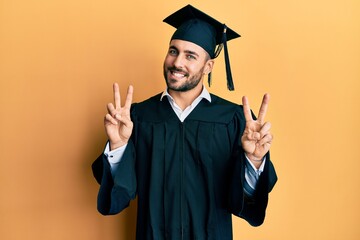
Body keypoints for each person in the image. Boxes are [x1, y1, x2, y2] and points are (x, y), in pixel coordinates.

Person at [92, 4, 277, 240]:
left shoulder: (233, 118)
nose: (177, 62)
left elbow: (246, 200)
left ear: (208, 66)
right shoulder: (138, 117)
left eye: (190, 56)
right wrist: (119, 146)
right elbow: (119, 195)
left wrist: (253, 159)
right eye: (173, 51)